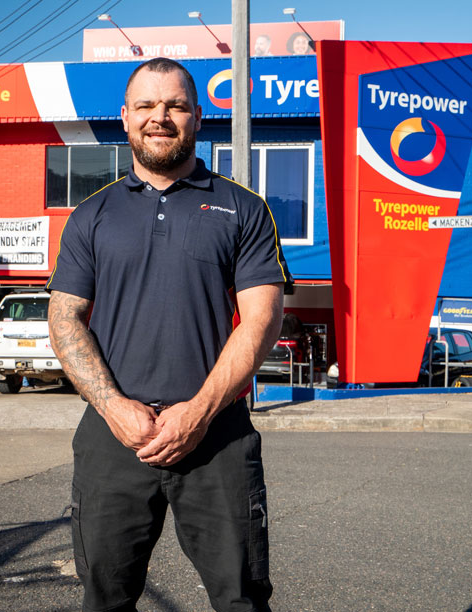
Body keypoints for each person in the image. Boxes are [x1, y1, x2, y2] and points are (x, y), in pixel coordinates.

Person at [46, 57, 289, 612]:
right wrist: (113, 407)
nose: (162, 117)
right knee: (104, 599)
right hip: (113, 439)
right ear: (125, 119)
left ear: (199, 117)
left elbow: (261, 318)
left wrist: (198, 412)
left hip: (217, 437)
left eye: (176, 105)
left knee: (241, 601)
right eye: (148, 106)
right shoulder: (91, 216)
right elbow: (64, 319)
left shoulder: (242, 209)